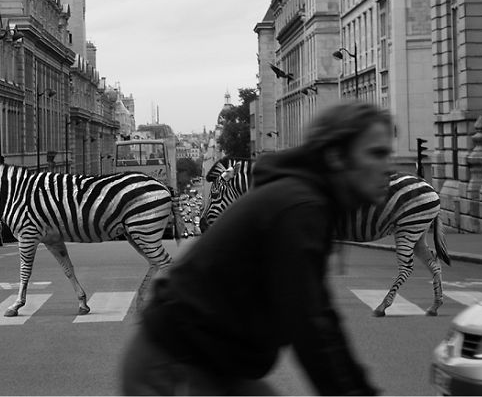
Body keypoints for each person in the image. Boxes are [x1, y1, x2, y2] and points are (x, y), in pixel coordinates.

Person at [120, 101, 392, 395]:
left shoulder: (303, 198)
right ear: (337, 157)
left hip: (209, 361)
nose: (388, 167)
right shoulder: (300, 206)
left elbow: (317, 315)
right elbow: (311, 323)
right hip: (172, 366)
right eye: (376, 153)